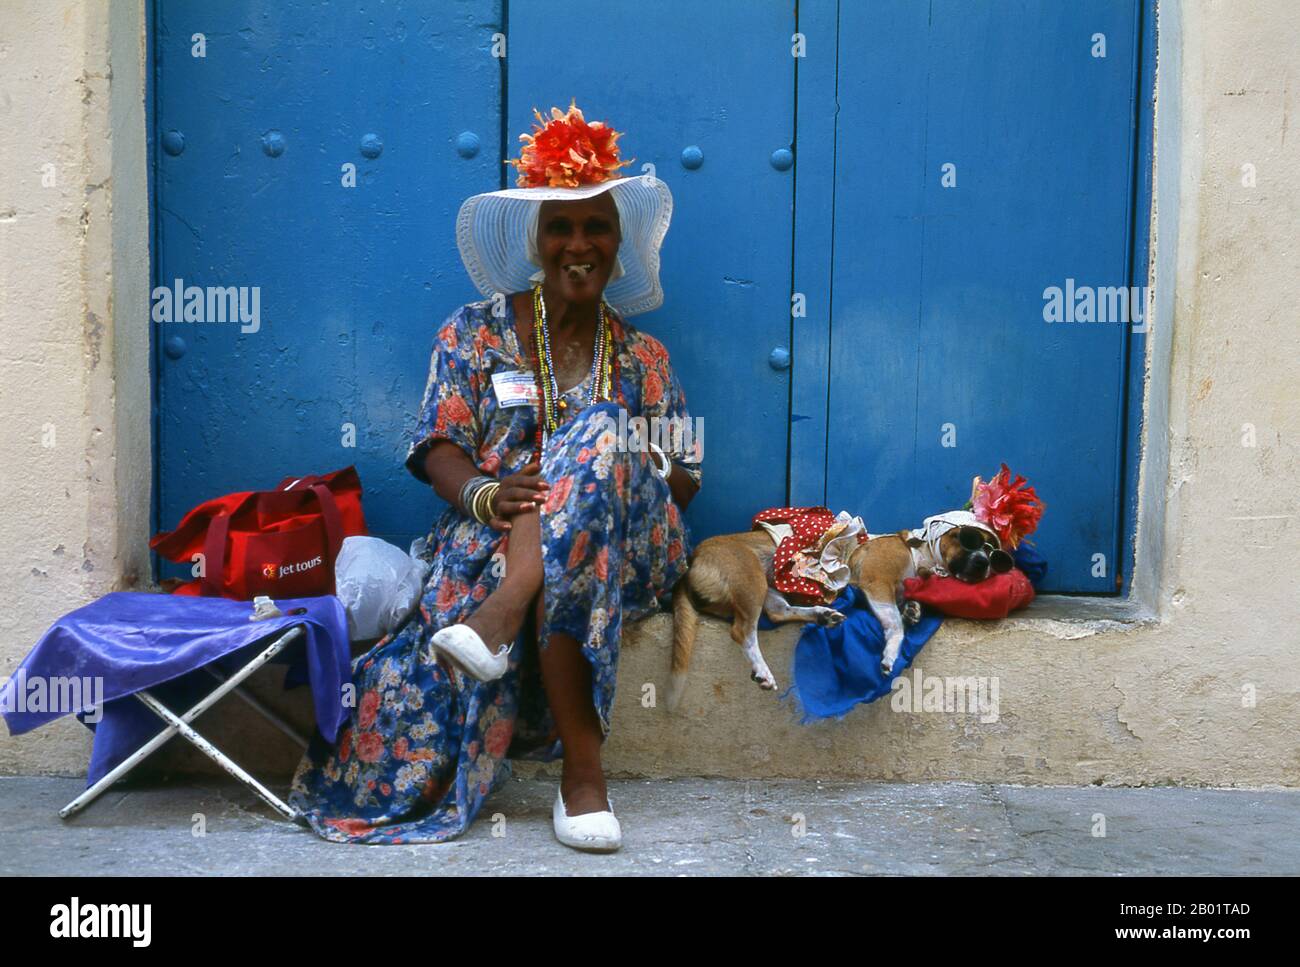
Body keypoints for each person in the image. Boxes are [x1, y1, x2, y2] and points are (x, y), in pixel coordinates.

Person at [288, 102, 701, 852]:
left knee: (604, 431)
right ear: (538, 242)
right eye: (561, 228)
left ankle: (515, 638)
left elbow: (685, 483)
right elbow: (439, 447)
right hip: (490, 530)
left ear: (617, 243)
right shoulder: (473, 332)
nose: (579, 244)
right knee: (561, 491)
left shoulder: (646, 359)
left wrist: (609, 465)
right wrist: (483, 491)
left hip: (628, 550)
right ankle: (579, 779)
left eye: (597, 227)